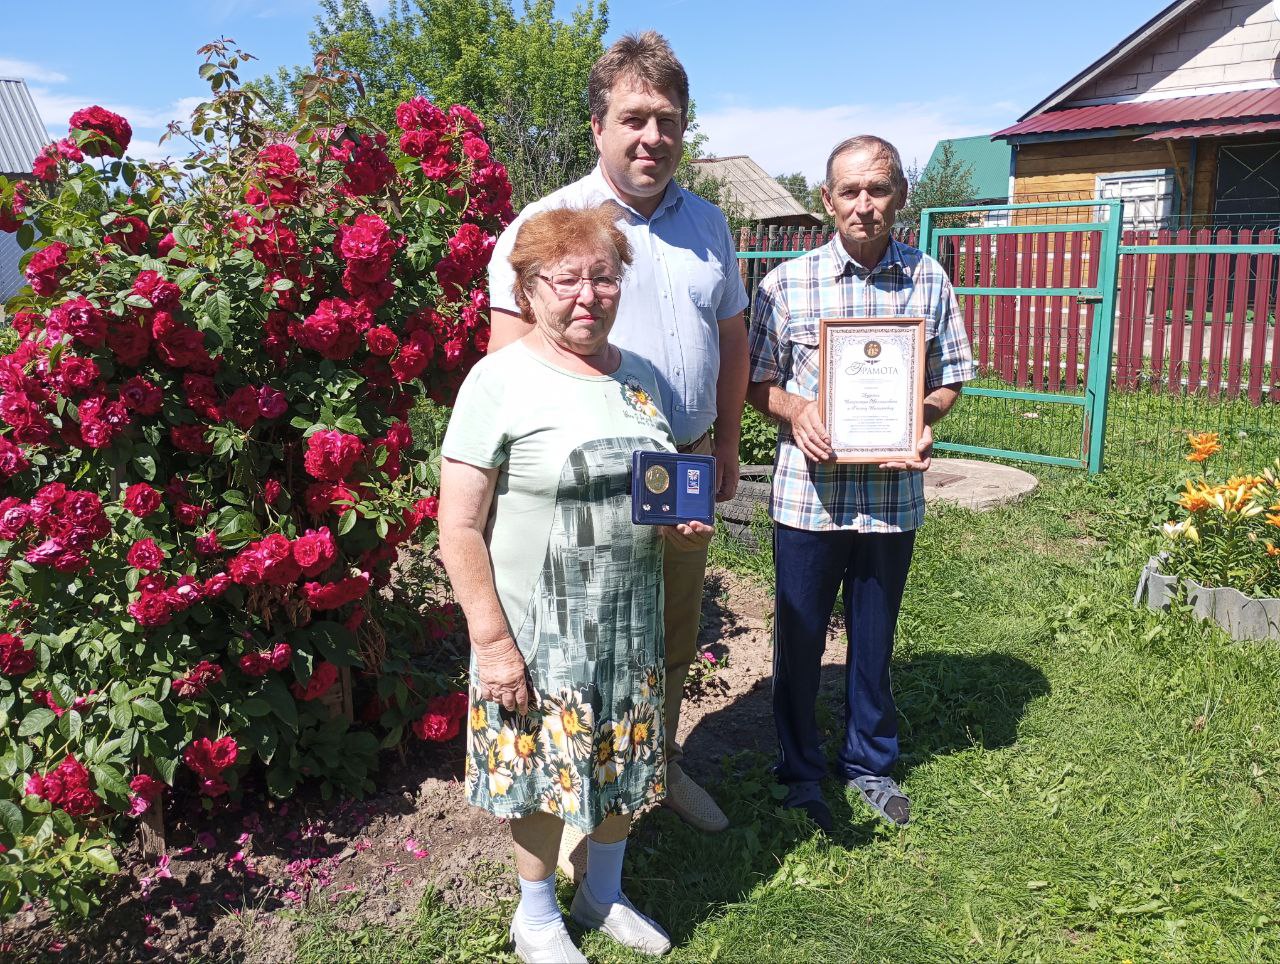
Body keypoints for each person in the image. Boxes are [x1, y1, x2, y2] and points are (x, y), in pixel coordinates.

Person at [487, 30, 749, 840]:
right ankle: (572, 806)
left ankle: (655, 769)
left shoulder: (710, 223)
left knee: (669, 636)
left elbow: (733, 337)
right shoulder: (547, 225)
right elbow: (505, 369)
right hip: (588, 480)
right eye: (634, 118)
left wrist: (729, 440)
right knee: (578, 647)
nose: (653, 137)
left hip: (685, 465)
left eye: (668, 119)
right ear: (597, 126)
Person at [440, 204, 713, 962]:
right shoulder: (498, 380)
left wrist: (674, 523)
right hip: (538, 628)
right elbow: (458, 526)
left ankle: (601, 893)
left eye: (604, 277)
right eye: (567, 280)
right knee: (539, 774)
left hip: (630, 617)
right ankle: (534, 917)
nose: (588, 295)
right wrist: (493, 643)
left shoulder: (639, 377)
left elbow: (652, 488)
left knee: (628, 758)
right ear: (528, 289)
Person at [745, 135, 975, 832]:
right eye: (850, 192)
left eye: (878, 190)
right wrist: (796, 409)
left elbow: (950, 378)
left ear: (899, 195)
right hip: (807, 498)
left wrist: (924, 419)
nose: (864, 205)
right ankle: (799, 771)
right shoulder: (784, 284)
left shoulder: (928, 279)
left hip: (890, 498)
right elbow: (758, 384)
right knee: (800, 637)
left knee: (874, 640)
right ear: (826, 201)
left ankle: (869, 762)